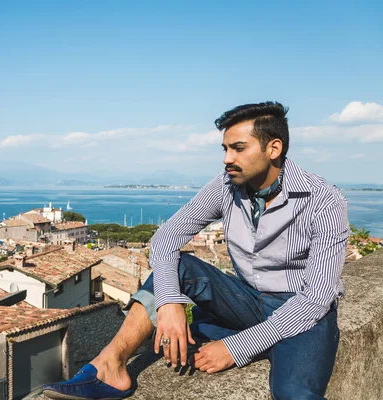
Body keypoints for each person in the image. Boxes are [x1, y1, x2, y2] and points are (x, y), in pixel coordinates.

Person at [42, 102, 349, 400]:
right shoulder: (226, 185)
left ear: (274, 149)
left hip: (302, 312)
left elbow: (316, 299)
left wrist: (237, 347)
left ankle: (272, 346)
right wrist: (168, 301)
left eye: (238, 148)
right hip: (246, 301)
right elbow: (166, 237)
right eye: (225, 149)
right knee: (179, 269)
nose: (227, 159)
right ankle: (111, 365)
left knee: (293, 393)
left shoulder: (323, 200)